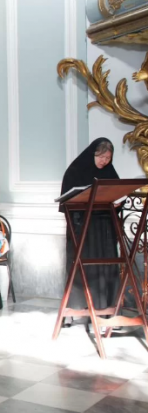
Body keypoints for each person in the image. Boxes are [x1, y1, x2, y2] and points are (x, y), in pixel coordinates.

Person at [60, 138, 120, 328]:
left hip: (104, 229)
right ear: (92, 154)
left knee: (107, 267)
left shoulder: (110, 172)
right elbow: (67, 202)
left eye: (108, 157)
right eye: (101, 156)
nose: (105, 161)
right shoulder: (75, 171)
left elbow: (117, 192)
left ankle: (109, 310)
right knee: (81, 269)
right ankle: (74, 311)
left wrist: (118, 203)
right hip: (83, 229)